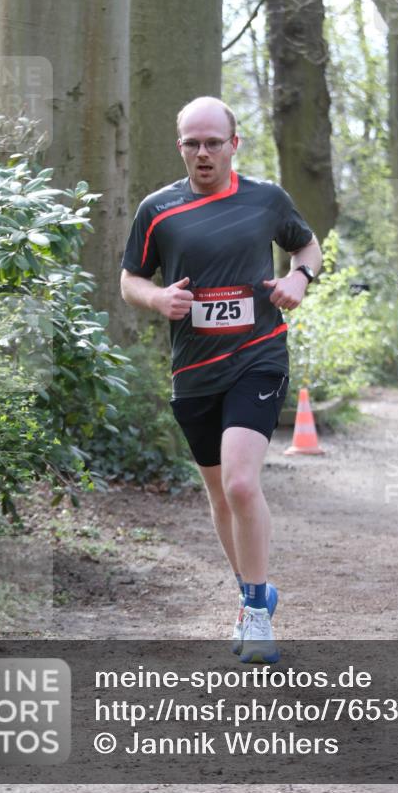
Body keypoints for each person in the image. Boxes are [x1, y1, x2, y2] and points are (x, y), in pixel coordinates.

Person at [120, 96, 322, 662]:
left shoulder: (265, 199)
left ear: (235, 144)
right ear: (180, 147)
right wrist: (158, 297)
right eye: (193, 143)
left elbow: (307, 245)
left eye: (214, 141)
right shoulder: (157, 209)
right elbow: (129, 278)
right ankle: (252, 592)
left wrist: (299, 278)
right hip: (194, 370)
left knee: (239, 482)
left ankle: (256, 614)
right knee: (217, 492)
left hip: (258, 356)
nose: (203, 152)